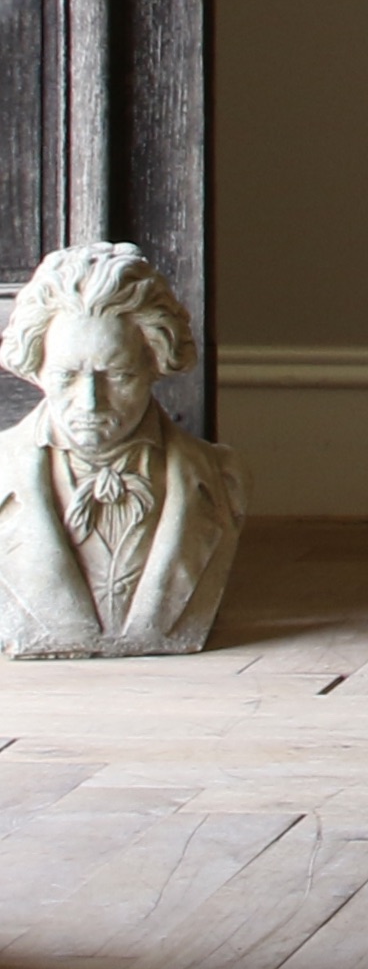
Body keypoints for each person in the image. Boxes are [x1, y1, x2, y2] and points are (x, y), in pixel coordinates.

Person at [0, 242, 245, 658]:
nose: (91, 402)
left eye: (118, 374)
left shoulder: (224, 480)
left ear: (156, 363)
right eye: (67, 375)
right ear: (35, 366)